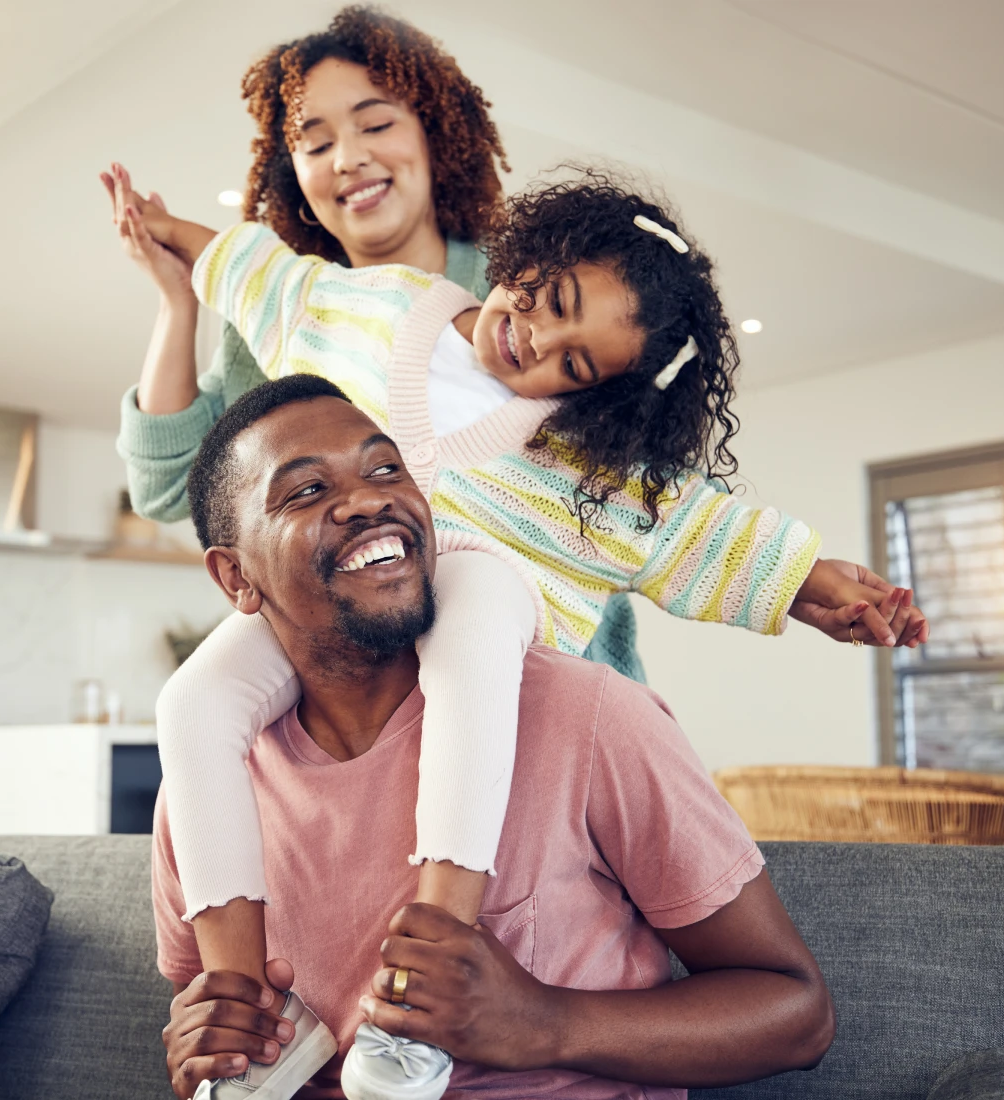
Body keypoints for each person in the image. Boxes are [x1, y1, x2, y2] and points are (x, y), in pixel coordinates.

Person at [115, 165, 923, 1100]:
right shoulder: (387, 309)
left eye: (573, 363)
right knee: (192, 698)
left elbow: (697, 529)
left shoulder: (583, 482)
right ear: (533, 254)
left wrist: (809, 581)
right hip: (341, 611)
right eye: (553, 301)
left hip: (487, 588)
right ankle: (254, 1002)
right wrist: (171, 233)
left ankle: (434, 955)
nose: (538, 340)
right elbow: (278, 281)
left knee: (474, 634)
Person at [154, 375, 837, 1100]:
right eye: (306, 491)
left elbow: (797, 1015)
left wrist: (545, 1023)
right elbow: (203, 1003)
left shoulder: (591, 718)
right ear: (236, 578)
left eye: (386, 469)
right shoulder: (209, 787)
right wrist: (204, 1040)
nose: (368, 498)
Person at [108, 6, 646, 680]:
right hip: (365, 697)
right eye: (315, 141)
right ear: (295, 177)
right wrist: (178, 301)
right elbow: (166, 490)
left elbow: (644, 479)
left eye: (376, 123)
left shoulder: (522, 294)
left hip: (551, 674)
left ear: (434, 135)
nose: (350, 157)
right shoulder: (279, 322)